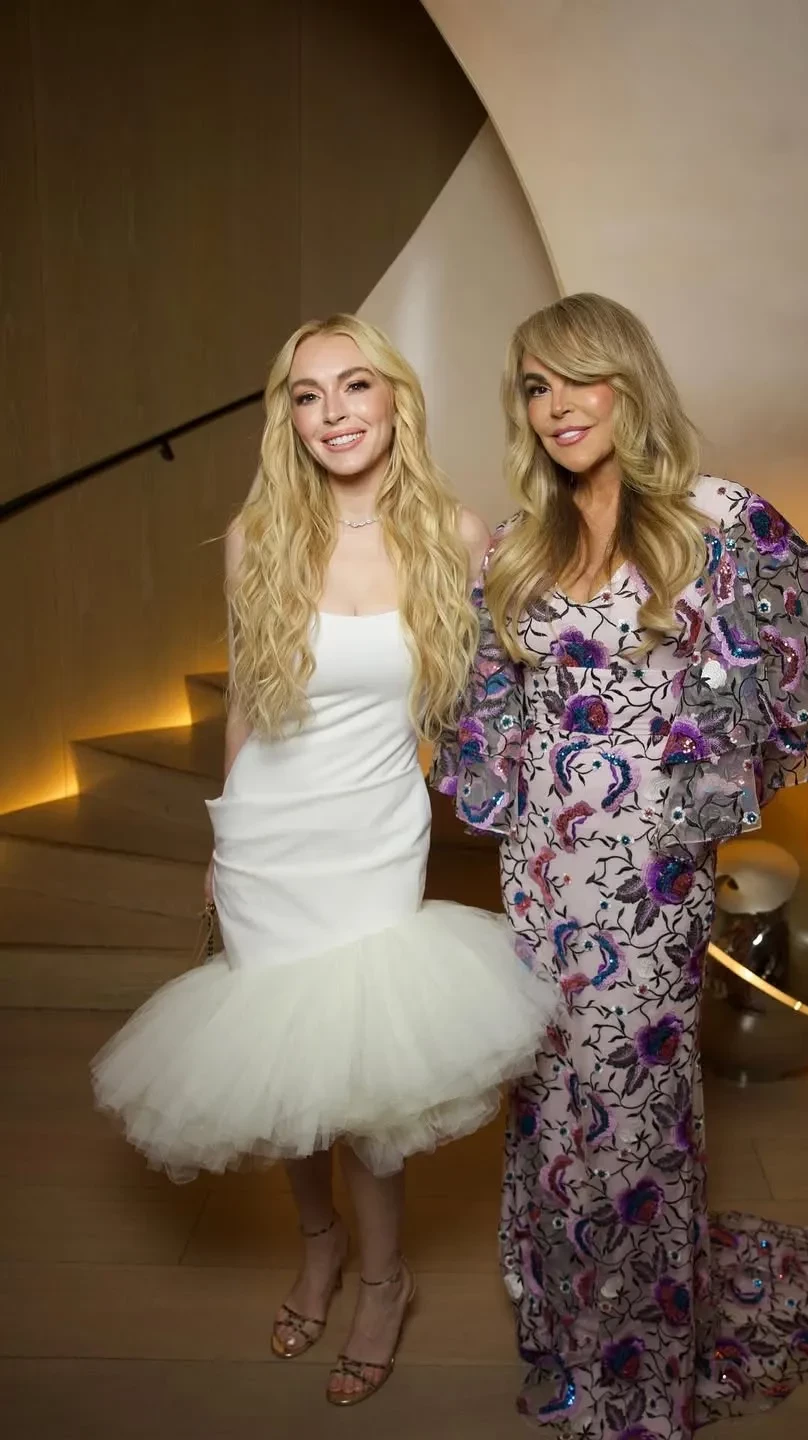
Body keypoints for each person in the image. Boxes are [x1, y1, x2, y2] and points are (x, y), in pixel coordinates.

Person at [433, 293, 808, 1438]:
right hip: (540, 881)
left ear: (627, 380)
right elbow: (486, 725)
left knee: (635, 1120)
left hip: (650, 886)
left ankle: (638, 1386)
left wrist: (712, 784)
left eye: (577, 377)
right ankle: (564, 1339)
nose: (557, 406)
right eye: (535, 387)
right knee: (552, 1111)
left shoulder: (715, 520)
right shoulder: (517, 547)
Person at [92, 314, 556, 1407]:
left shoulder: (455, 533)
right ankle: (320, 1247)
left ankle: (384, 1282)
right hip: (271, 836)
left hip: (374, 835)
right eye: (308, 395)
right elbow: (249, 699)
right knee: (282, 1056)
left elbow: (505, 690)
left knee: (364, 1079)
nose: (334, 412)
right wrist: (224, 832)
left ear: (396, 399)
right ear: (288, 419)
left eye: (355, 386)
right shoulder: (259, 534)